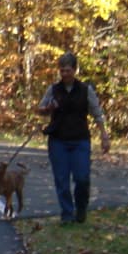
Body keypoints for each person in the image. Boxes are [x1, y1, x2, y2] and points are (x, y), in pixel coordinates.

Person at [37, 51, 111, 224]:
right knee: (61, 180)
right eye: (62, 70)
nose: (65, 74)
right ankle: (67, 214)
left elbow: (97, 113)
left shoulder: (86, 90)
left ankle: (81, 207)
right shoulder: (53, 90)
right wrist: (48, 108)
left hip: (80, 140)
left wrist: (104, 135)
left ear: (75, 70)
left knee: (82, 178)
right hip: (58, 140)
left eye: (68, 70)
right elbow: (41, 110)